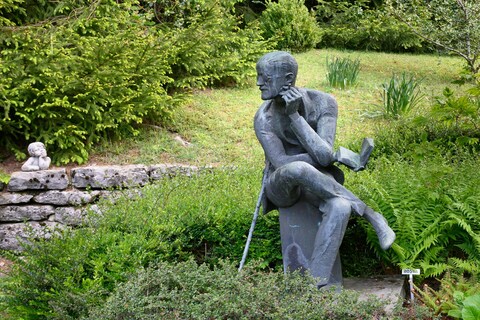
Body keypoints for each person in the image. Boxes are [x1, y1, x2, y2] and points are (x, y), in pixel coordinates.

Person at [253, 51, 395, 288]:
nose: (258, 83)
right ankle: (372, 216)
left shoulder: (324, 103)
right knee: (297, 168)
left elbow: (324, 155)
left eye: (265, 78)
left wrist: (295, 117)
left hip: (318, 183)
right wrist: (324, 159)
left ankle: (316, 287)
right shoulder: (263, 118)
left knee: (340, 206)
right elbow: (282, 162)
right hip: (281, 186)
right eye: (258, 76)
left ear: (288, 79)